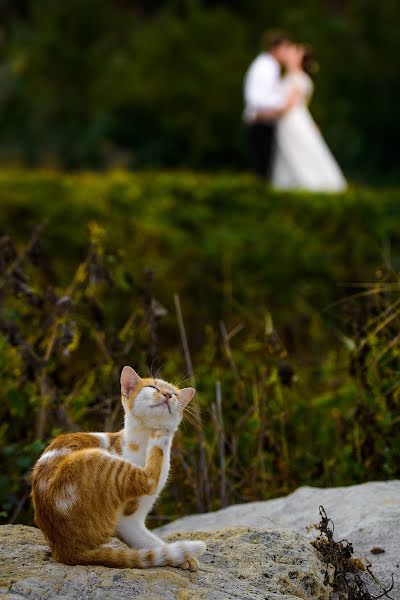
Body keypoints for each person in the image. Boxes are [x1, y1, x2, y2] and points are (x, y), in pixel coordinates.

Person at [272, 45, 347, 191]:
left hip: (293, 121)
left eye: (295, 52)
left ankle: (316, 184)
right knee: (289, 152)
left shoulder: (298, 78)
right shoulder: (289, 76)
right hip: (289, 122)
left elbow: (288, 105)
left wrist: (265, 113)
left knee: (302, 151)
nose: (290, 54)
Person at [243, 31, 299, 180]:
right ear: (277, 48)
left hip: (266, 122)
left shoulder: (269, 66)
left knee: (266, 168)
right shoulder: (265, 66)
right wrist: (282, 104)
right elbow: (255, 98)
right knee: (263, 167)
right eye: (285, 48)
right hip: (260, 122)